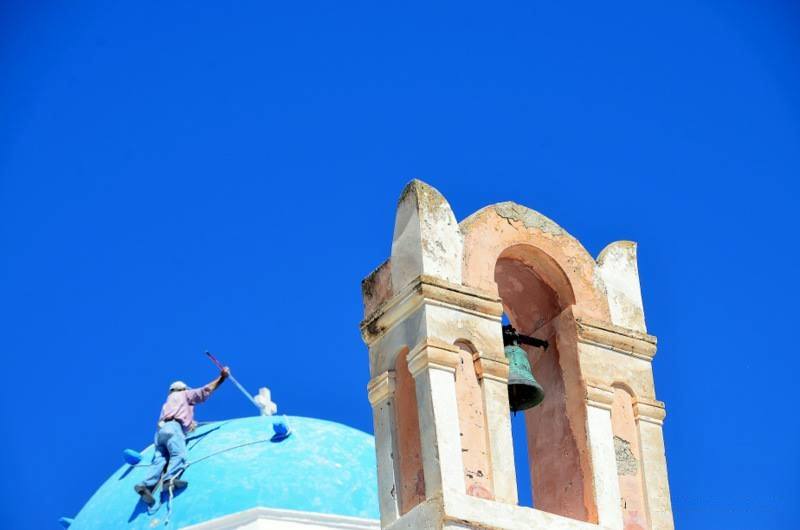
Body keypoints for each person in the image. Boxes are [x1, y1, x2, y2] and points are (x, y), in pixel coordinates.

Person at [134, 368, 229, 506]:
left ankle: (145, 485)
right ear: (182, 389)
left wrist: (189, 423)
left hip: (160, 433)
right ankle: (169, 481)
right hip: (174, 428)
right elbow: (204, 391)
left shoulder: (167, 402)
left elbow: (178, 415)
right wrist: (222, 378)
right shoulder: (184, 394)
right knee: (179, 454)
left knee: (160, 460)